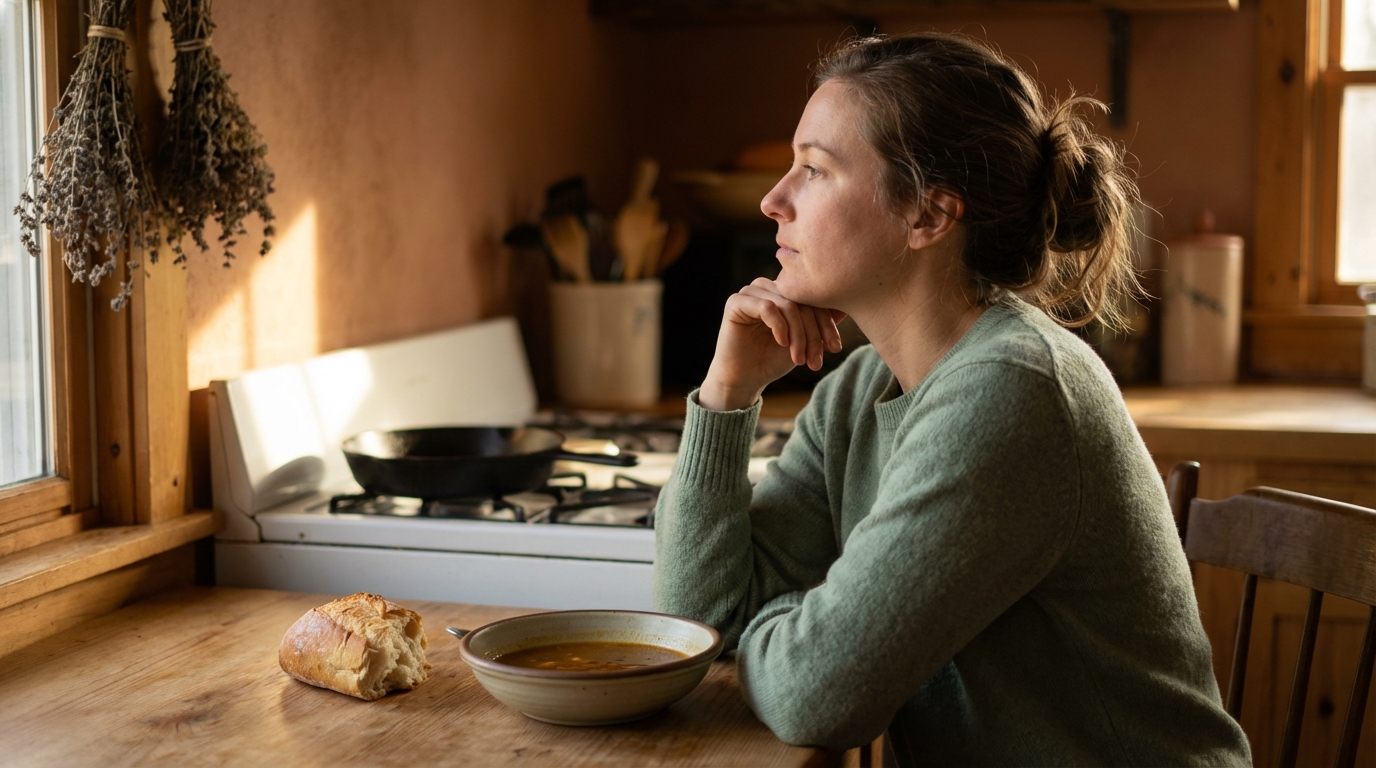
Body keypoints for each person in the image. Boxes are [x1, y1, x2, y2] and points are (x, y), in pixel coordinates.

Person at [652, 32, 1251, 766]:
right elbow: (700, 625)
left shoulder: (1013, 391)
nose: (774, 200)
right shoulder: (859, 391)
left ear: (929, 217)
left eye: (815, 170)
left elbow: (818, 694)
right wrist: (727, 393)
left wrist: (784, 629)